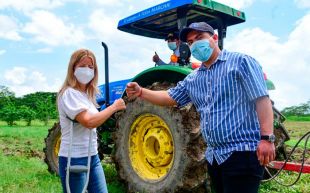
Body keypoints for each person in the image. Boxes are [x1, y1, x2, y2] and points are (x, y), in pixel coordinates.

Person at [126, 22, 275, 193]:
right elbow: (170, 96)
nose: (195, 44)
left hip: (241, 154)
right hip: (214, 158)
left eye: (199, 38)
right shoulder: (194, 78)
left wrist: (267, 138)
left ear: (215, 38)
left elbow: (262, 99)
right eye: (190, 43)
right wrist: (141, 92)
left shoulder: (241, 62)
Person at [57, 48, 126, 193]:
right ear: (73, 68)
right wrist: (113, 107)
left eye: (91, 67)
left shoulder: (86, 95)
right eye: (82, 66)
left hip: (92, 156)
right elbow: (89, 122)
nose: (87, 70)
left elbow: (99, 118)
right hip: (74, 158)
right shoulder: (69, 93)